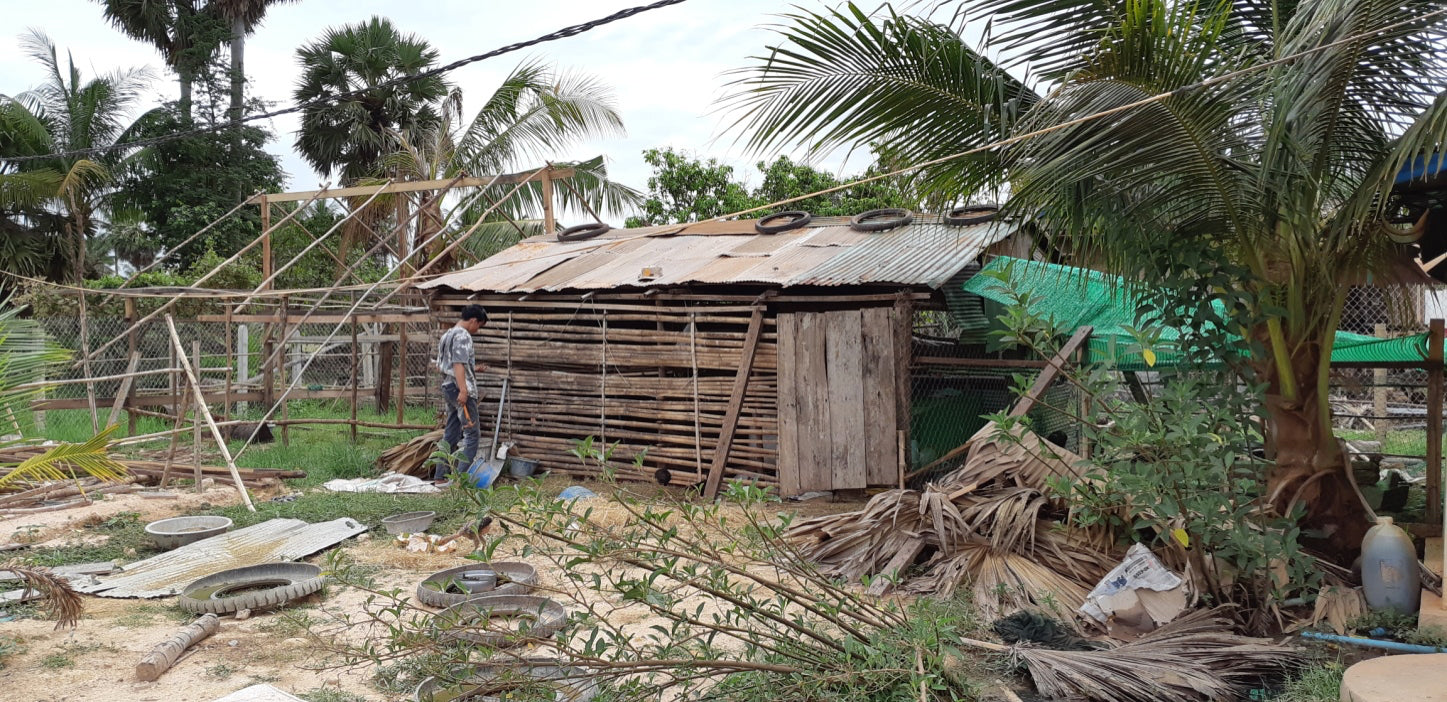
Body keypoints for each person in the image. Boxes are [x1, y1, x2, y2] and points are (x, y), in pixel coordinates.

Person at [434, 305, 488, 484]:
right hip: (460, 390)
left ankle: (440, 476)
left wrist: (473, 369)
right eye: (479, 325)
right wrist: (464, 390)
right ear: (473, 320)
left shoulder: (447, 335)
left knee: (451, 432)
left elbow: (441, 366)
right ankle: (459, 480)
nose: (477, 330)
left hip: (448, 387)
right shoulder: (463, 336)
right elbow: (458, 363)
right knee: (472, 435)